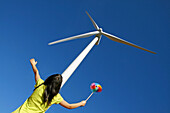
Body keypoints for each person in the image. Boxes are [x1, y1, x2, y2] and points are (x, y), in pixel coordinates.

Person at [12, 58, 86, 113]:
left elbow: (36, 72)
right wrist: (81, 103)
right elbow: (69, 106)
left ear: (49, 79)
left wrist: (33, 64)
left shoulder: (40, 84)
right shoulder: (56, 97)